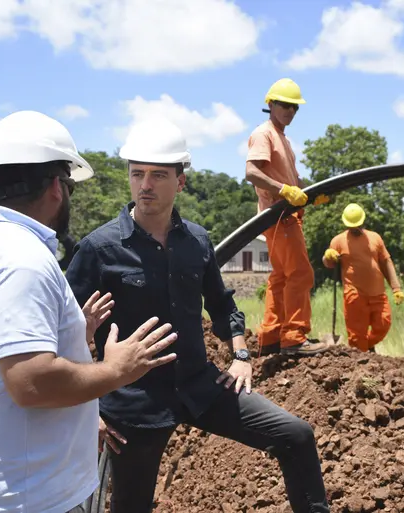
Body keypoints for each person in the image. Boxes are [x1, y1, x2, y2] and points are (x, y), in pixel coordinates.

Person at [65, 117, 330, 513]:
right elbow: (61, 332)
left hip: (200, 386)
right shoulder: (99, 249)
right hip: (134, 402)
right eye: (137, 174)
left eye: (157, 175)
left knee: (295, 435)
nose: (145, 185)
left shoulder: (197, 241)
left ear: (181, 181)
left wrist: (240, 355)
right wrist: (87, 410)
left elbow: (222, 304)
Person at [0, 110, 178, 513]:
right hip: (22, 497)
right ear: (58, 188)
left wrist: (70, 330)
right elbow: (33, 383)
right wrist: (117, 370)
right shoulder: (21, 257)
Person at [244, 77, 330, 357]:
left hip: (286, 216)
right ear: (270, 104)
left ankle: (271, 337)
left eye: (294, 107)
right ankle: (293, 336)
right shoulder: (264, 133)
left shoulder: (284, 139)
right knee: (300, 273)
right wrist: (284, 190)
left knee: (281, 276)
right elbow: (252, 172)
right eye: (284, 105)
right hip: (280, 216)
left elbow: (291, 180)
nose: (290, 111)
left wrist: (310, 193)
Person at [322, 203, 404, 352]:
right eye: (352, 226)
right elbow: (328, 264)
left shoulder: (375, 238)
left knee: (383, 325)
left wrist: (396, 287)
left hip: (377, 293)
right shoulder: (338, 241)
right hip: (354, 295)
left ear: (363, 221)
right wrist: (328, 256)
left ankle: (365, 346)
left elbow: (386, 262)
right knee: (356, 336)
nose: (355, 228)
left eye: (357, 225)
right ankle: (360, 359)